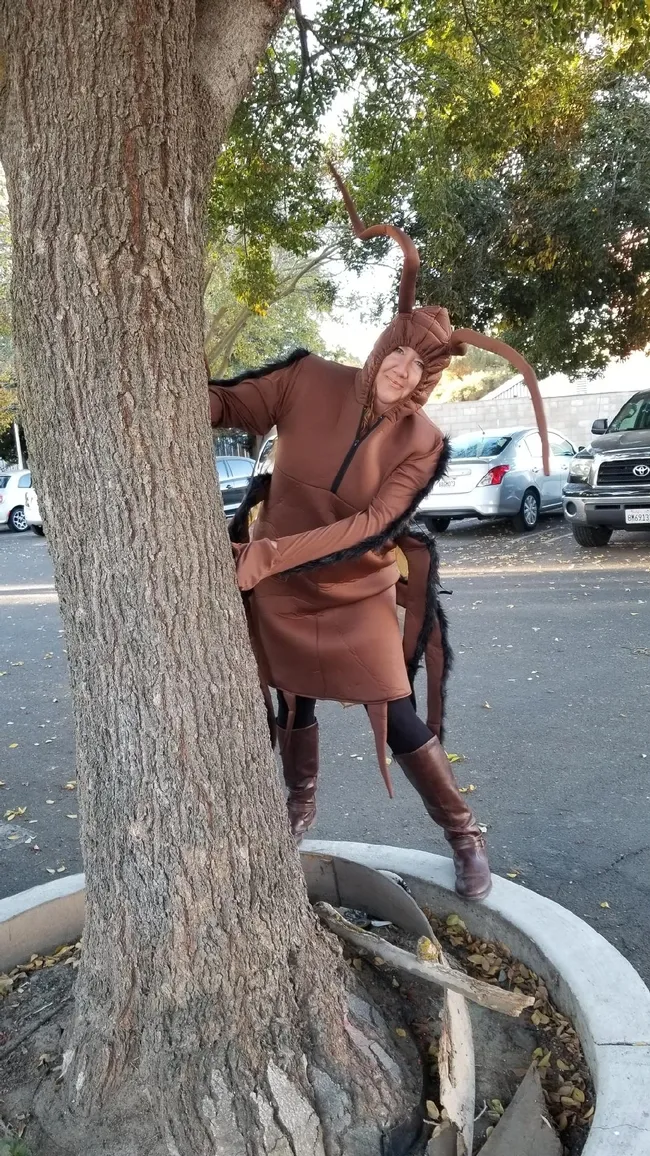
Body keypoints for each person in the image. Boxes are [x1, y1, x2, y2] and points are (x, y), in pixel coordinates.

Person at [208, 165, 550, 901]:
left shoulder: (423, 442)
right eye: (396, 350)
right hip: (273, 585)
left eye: (418, 365)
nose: (401, 368)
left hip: (349, 585)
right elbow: (230, 407)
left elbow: (371, 526)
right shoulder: (307, 378)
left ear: (429, 380)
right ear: (381, 346)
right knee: (292, 698)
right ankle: (298, 807)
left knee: (394, 711)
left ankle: (463, 831)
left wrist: (265, 553)